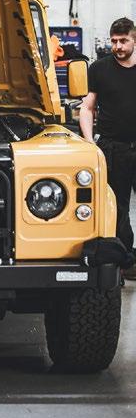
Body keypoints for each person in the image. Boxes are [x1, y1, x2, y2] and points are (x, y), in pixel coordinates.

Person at [80, 17, 136, 279]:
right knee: (118, 207)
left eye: (123, 41)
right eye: (114, 41)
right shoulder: (99, 69)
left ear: (134, 40)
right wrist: (90, 142)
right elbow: (87, 107)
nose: (118, 46)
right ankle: (125, 262)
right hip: (114, 148)